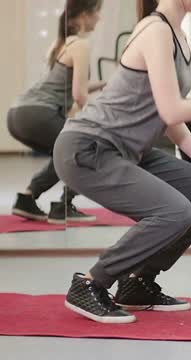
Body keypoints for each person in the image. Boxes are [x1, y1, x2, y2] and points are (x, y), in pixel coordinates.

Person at [53, 0, 191, 324]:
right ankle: (91, 283)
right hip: (88, 148)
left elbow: (168, 119)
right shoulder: (155, 31)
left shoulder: (179, 37)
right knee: (174, 211)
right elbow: (171, 110)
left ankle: (138, 284)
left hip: (130, 151)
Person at [8, 0, 106, 224]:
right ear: (83, 15)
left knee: (63, 152)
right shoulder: (81, 45)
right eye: (97, 12)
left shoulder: (59, 44)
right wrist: (94, 123)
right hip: (37, 114)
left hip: (18, 114)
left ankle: (27, 199)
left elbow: (65, 86)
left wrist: (103, 84)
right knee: (83, 147)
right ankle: (63, 206)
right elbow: (79, 95)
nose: (99, 18)